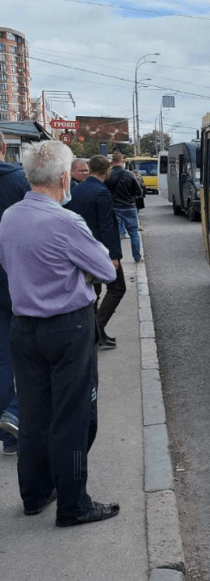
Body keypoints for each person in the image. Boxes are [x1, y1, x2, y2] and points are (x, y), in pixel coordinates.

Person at [0, 140, 120, 526]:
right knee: (73, 415)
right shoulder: (66, 222)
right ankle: (74, 503)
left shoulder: (10, 217)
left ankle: (35, 494)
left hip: (24, 327)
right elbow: (107, 270)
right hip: (67, 327)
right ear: (65, 178)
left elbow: (9, 263)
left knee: (34, 414)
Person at [66, 155, 125, 350]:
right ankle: (96, 329)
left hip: (81, 249)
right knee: (117, 288)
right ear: (108, 170)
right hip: (100, 251)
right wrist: (114, 256)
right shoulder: (101, 192)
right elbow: (107, 226)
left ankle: (93, 333)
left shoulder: (77, 189)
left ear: (90, 169)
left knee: (93, 292)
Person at [0, 130, 29, 457]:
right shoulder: (18, 181)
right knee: (34, 353)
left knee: (3, 358)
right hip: (19, 279)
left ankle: (9, 436)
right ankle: (17, 416)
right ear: (5, 148)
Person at [106, 152, 143, 262]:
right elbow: (138, 191)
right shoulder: (130, 174)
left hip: (115, 207)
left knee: (115, 235)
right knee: (134, 233)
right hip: (129, 207)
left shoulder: (108, 175)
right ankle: (137, 257)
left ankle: (116, 258)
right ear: (122, 162)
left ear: (112, 162)